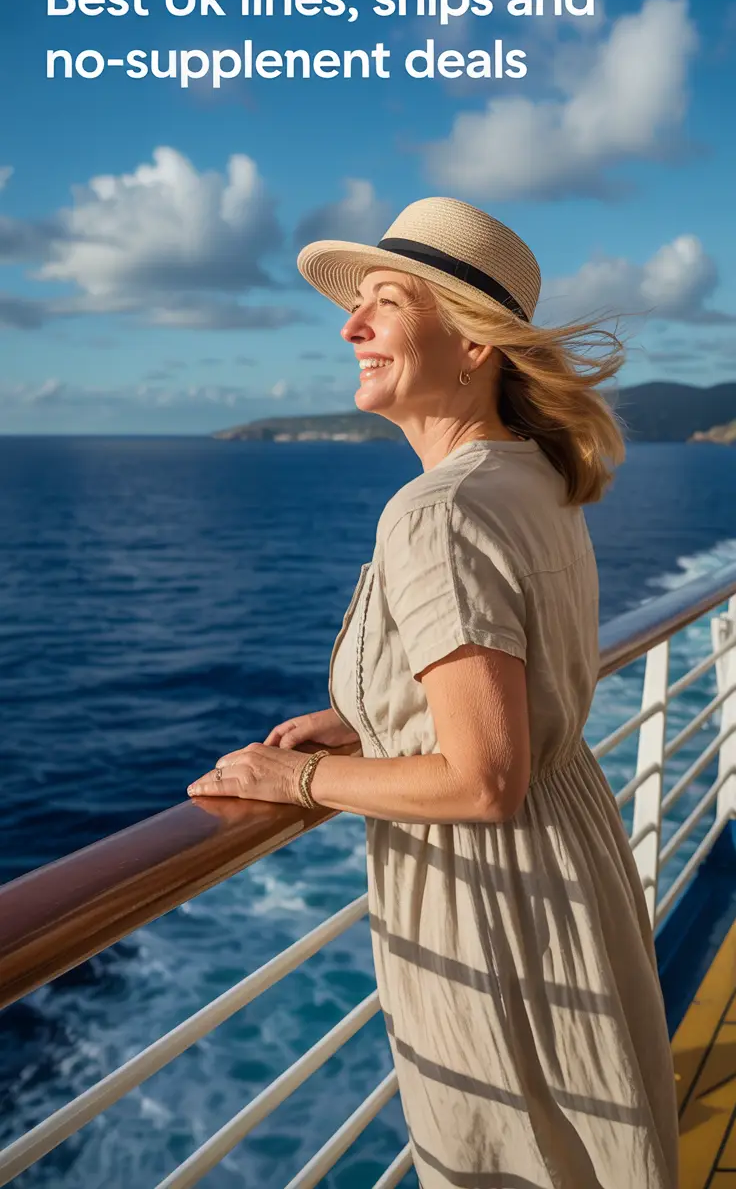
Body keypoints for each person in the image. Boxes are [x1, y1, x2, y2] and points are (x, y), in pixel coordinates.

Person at [188, 197, 680, 1188]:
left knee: (507, 1158)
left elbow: (482, 780)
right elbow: (521, 676)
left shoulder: (437, 510)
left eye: (382, 302)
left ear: (470, 343)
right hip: (567, 858)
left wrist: (298, 781)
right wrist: (374, 715)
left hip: (486, 899)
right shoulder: (532, 477)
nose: (349, 327)